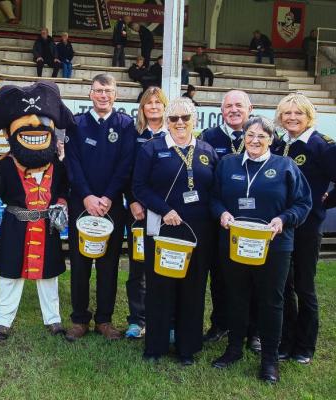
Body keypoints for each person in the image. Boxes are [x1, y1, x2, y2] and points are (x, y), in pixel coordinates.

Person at [211, 116, 311, 383]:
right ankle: (234, 350)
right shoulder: (227, 164)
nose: (255, 140)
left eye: (262, 136)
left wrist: (283, 219)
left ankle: (269, 360)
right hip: (234, 244)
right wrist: (221, 213)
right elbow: (214, 198)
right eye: (250, 135)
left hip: (274, 247)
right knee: (236, 296)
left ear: (271, 140)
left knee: (271, 301)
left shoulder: (285, 166)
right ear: (243, 137)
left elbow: (303, 203)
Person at [0, 82, 72, 340]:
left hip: (47, 226)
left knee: (49, 277)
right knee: (10, 276)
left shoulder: (58, 165)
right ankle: (3, 322)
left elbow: (64, 190)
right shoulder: (6, 164)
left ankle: (53, 319)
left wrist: (62, 202)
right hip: (15, 226)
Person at [133, 97, 218, 365]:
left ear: (195, 120)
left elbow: (214, 190)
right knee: (160, 286)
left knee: (193, 288)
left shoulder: (206, 150)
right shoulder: (151, 149)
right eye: (173, 118)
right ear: (166, 122)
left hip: (199, 232)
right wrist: (164, 209)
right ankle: (155, 347)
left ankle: (187, 348)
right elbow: (139, 187)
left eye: (185, 118)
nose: (179, 123)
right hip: (162, 227)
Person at [64, 74, 136, 341]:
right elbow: (72, 163)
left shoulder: (126, 124)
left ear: (115, 94)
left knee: (109, 264)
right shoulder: (76, 123)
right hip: (81, 203)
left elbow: (126, 164)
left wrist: (107, 196)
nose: (103, 95)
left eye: (108, 90)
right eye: (98, 90)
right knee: (80, 263)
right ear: (90, 94)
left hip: (112, 205)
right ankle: (80, 319)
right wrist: (86, 197)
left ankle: (104, 320)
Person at [272, 93, 336, 364]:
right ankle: (285, 342)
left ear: (309, 116)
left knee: (304, 286)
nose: (292, 118)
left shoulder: (323, 146)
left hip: (308, 227)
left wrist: (326, 201)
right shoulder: (277, 145)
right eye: (287, 113)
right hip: (282, 227)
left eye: (298, 113)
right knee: (283, 285)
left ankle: (305, 346)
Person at [199, 90, 262, 352]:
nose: (234, 110)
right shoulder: (209, 137)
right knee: (220, 274)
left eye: (239, 105)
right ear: (221, 110)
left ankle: (254, 330)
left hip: (255, 221)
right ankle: (220, 323)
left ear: (250, 108)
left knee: (255, 276)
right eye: (228, 106)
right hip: (220, 219)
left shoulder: (263, 135)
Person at [124, 87, 168, 339]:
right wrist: (132, 201)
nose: (153, 107)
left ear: (165, 107)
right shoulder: (134, 135)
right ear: (142, 108)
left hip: (165, 213)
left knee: (163, 265)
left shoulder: (173, 135)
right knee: (138, 267)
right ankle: (136, 319)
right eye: (148, 103)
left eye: (157, 103)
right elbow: (127, 171)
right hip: (138, 211)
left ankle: (162, 319)